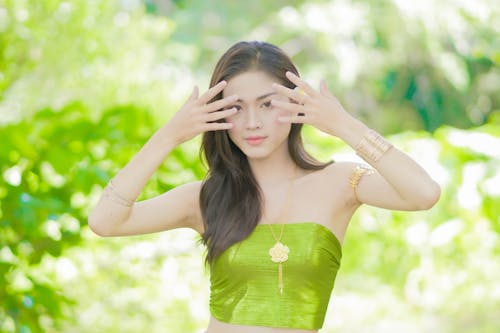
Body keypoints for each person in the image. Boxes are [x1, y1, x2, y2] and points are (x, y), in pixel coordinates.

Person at [88, 40, 441, 333]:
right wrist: (169, 135)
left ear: (294, 102)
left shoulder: (340, 182)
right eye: (236, 108)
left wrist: (344, 125)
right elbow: (105, 221)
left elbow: (423, 194)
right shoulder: (207, 197)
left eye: (267, 104)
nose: (252, 123)